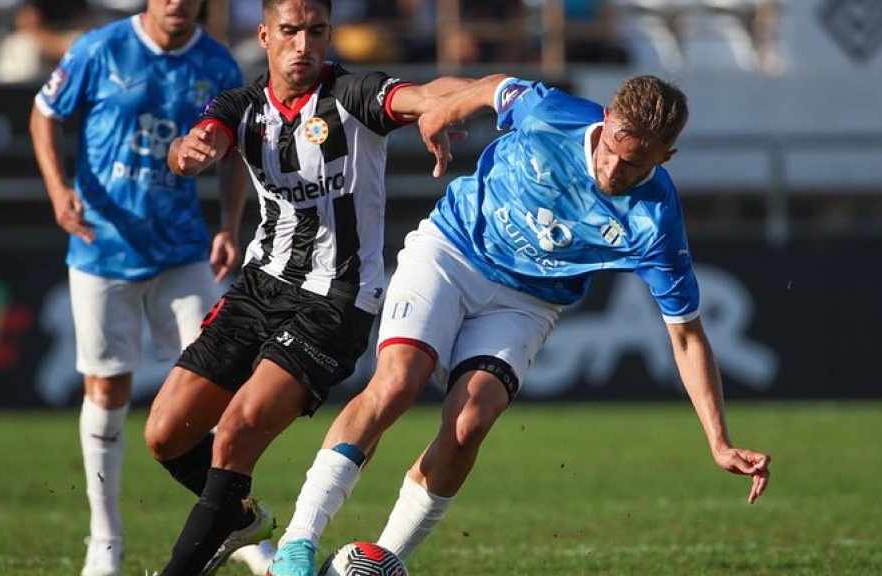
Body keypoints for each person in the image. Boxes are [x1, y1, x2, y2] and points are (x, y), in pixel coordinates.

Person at [268, 74, 772, 576]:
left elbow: (686, 336)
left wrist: (719, 440)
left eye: (635, 162)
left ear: (666, 158)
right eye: (612, 147)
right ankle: (298, 544)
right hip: (452, 251)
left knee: (469, 426)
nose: (612, 168)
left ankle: (386, 563)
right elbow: (492, 86)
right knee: (398, 380)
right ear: (606, 119)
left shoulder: (655, 222)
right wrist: (442, 112)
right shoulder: (551, 113)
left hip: (527, 302)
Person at [141, 1, 472, 575]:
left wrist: (447, 104)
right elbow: (201, 138)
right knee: (165, 435)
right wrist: (188, 152)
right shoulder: (241, 106)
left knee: (238, 432)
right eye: (290, 32)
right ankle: (237, 515)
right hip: (259, 285)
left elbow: (418, 94)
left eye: (315, 32)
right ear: (265, 35)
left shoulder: (352, 95)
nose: (303, 45)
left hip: (336, 301)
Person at [27, 1, 265, 575]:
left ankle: (246, 529)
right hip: (102, 249)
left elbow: (236, 152)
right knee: (106, 391)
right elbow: (44, 113)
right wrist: (59, 191)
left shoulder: (217, 64)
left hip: (183, 251)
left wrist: (229, 225)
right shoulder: (98, 49)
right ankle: (104, 539)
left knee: (217, 394)